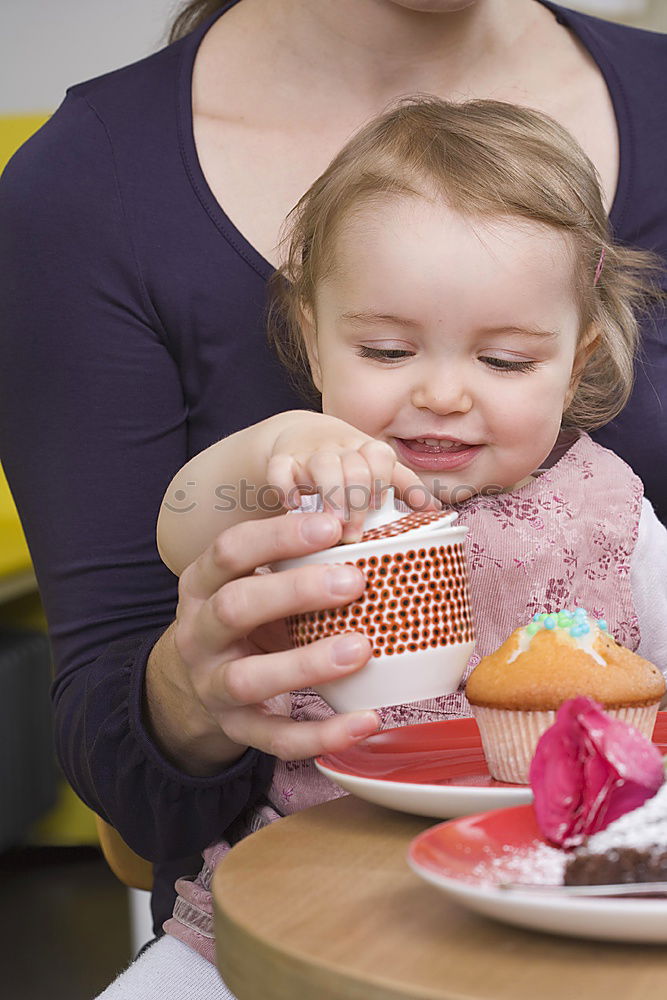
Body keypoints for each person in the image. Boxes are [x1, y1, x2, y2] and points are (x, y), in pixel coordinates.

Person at [1, 0, 666, 945]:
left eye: (506, 364)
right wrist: (266, 454)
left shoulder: (606, 509)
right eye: (389, 351)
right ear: (309, 337)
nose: (441, 395)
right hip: (308, 887)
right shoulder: (317, 488)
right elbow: (182, 524)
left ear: (581, 361)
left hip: (568, 884)